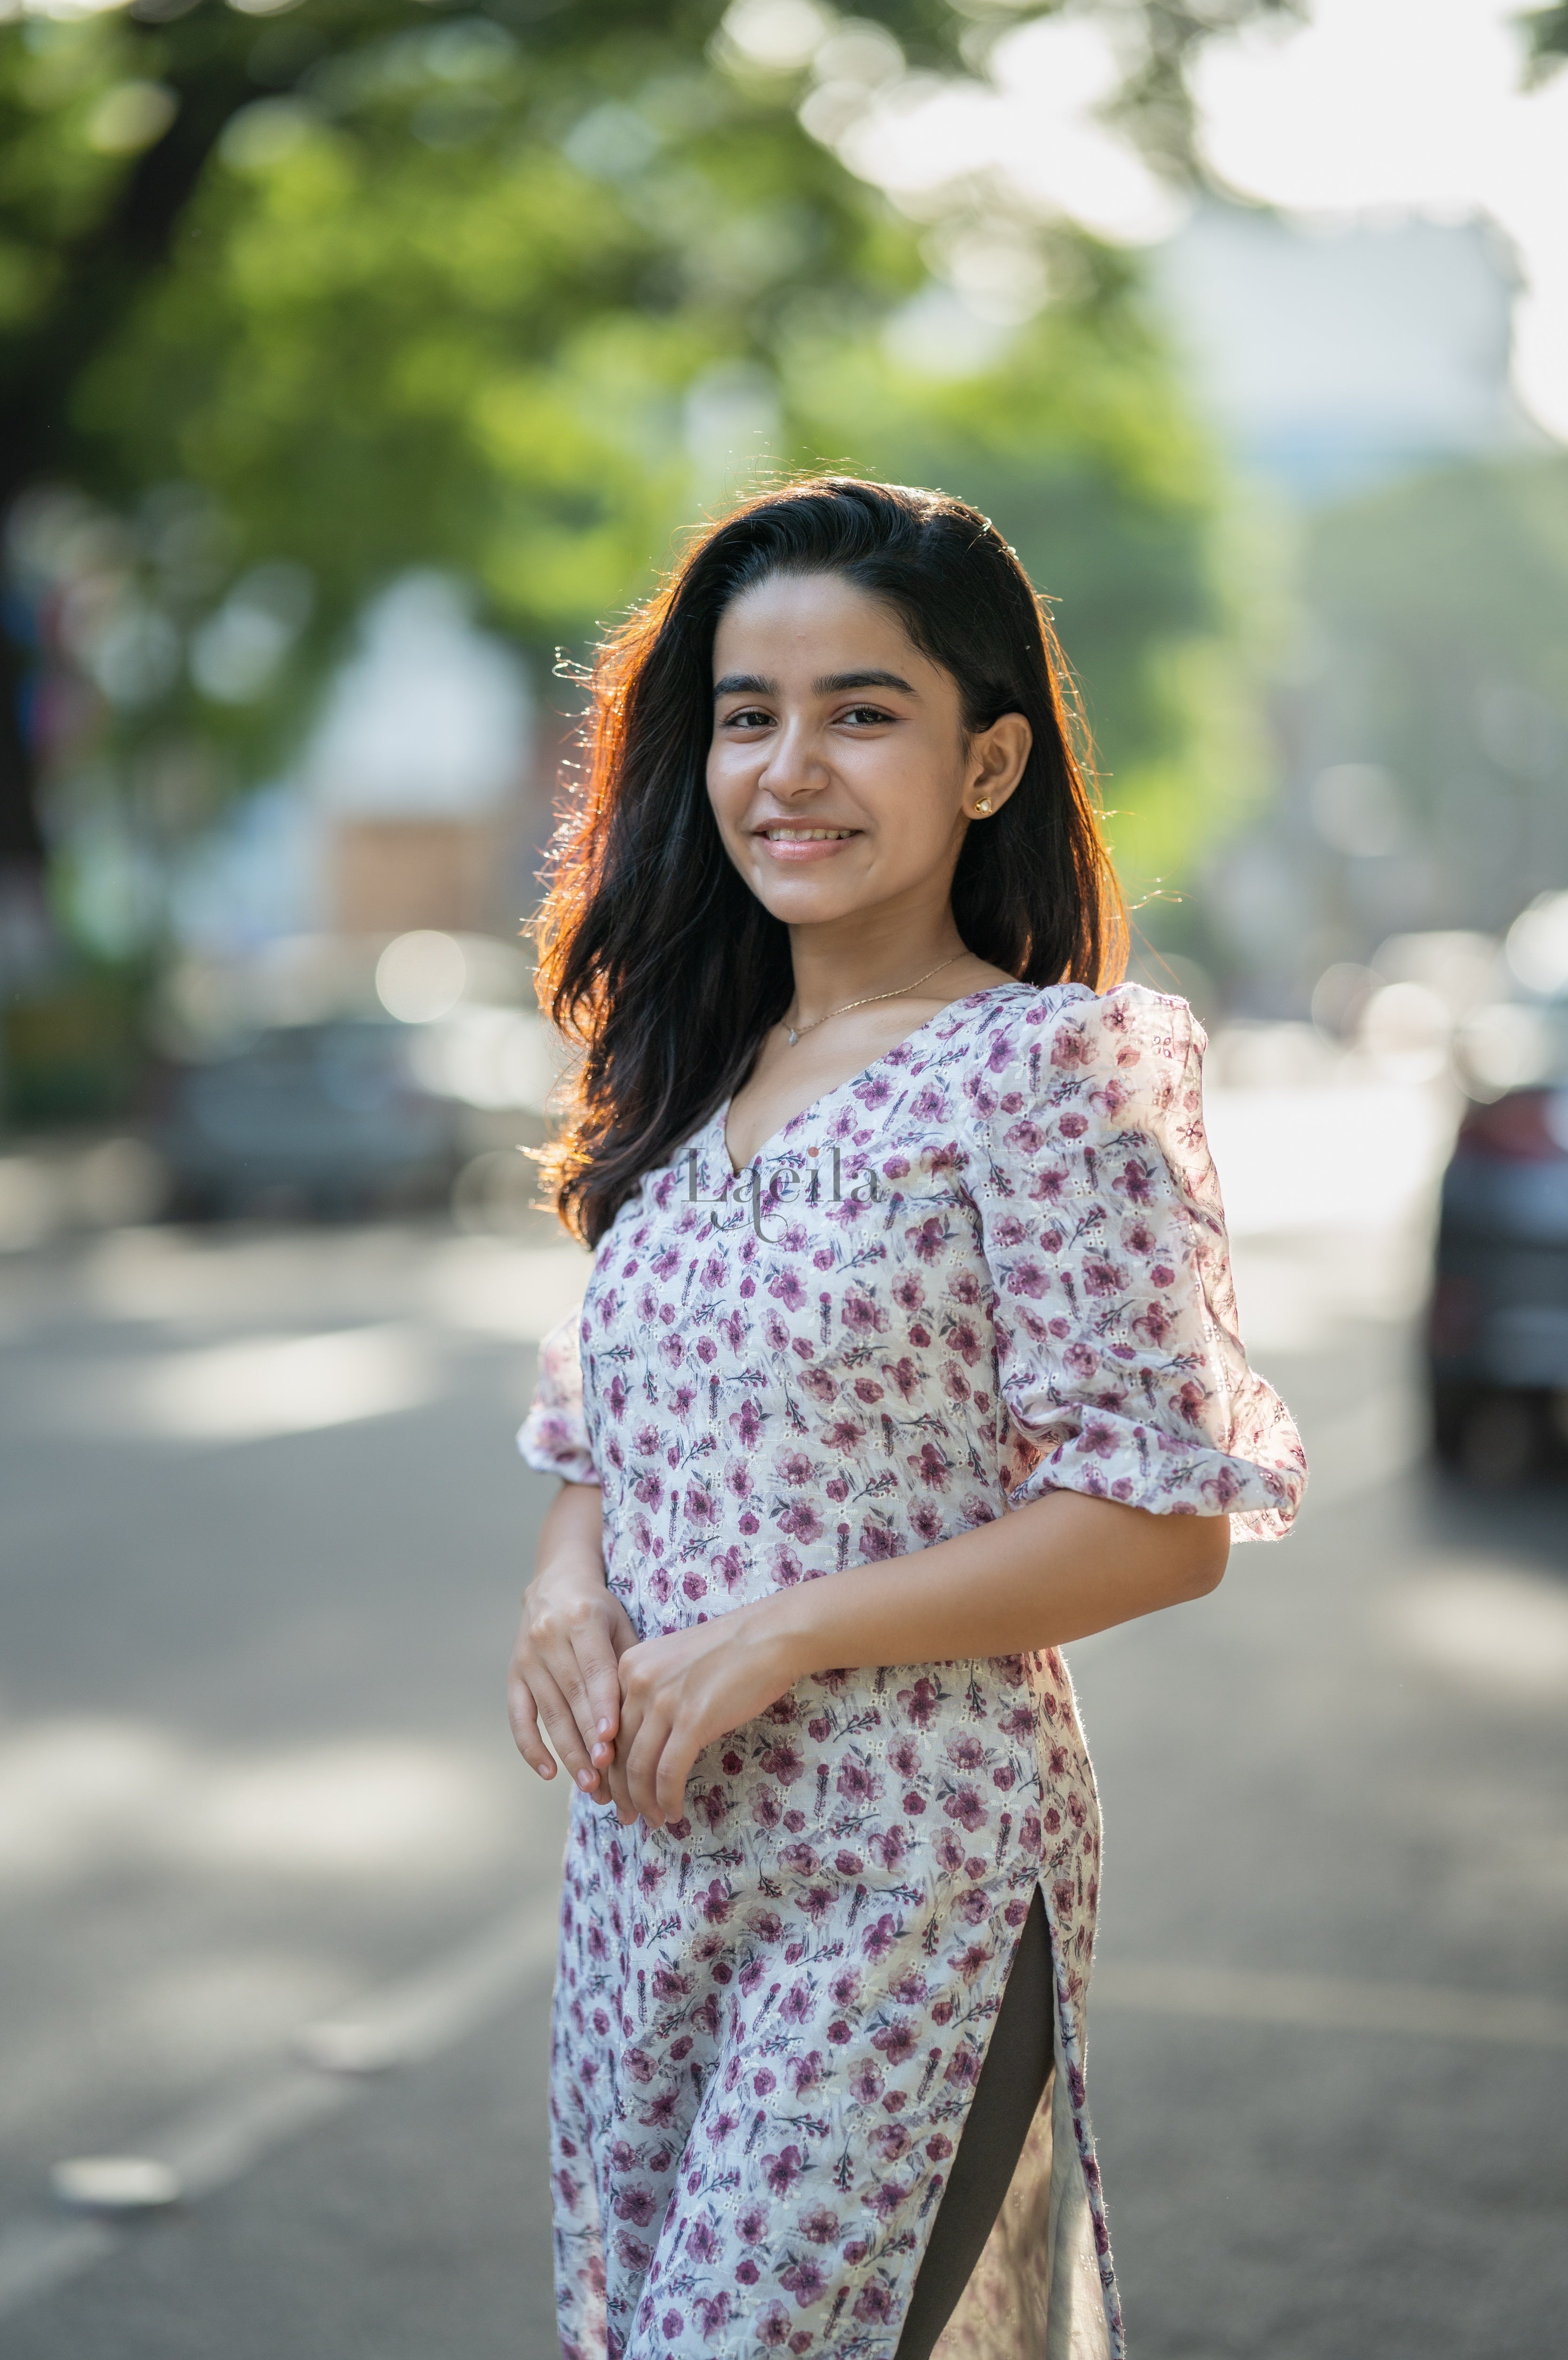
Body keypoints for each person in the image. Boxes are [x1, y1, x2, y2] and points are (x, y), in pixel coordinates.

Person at [508, 476, 1306, 2360]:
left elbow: (1159, 1518)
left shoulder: (1049, 1067)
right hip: (650, 1842)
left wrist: (783, 1631)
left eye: (864, 711)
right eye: (746, 712)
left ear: (989, 760)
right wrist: (568, 1583)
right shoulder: (683, 1067)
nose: (792, 765)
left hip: (909, 1852)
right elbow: (599, 1417)